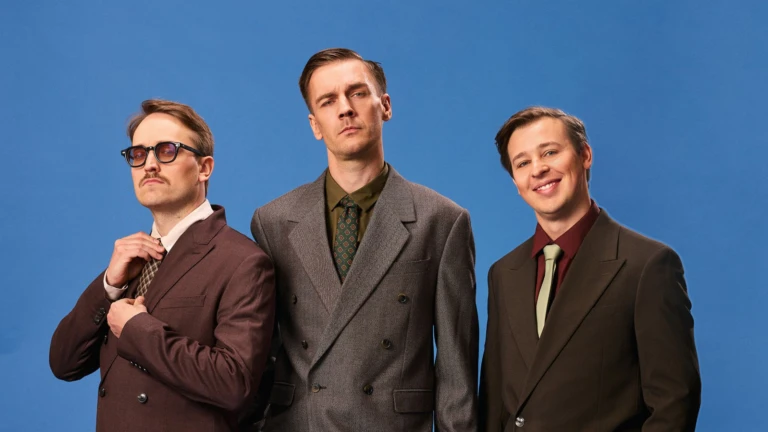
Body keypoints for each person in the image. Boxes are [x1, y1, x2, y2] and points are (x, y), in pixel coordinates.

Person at [250, 48, 479, 432]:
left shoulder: (442, 220)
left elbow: (457, 371)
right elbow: (260, 355)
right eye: (328, 101)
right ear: (315, 125)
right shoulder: (273, 221)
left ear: (385, 106)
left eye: (357, 93)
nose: (345, 109)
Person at [50, 99, 276, 432]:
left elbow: (234, 383)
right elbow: (64, 363)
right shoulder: (132, 262)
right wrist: (109, 285)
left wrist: (137, 328)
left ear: (204, 168)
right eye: (138, 154)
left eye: (166, 151)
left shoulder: (243, 261)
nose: (149, 165)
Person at [479, 106, 701, 431]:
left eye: (550, 152)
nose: (538, 169)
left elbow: (675, 402)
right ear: (515, 181)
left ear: (585, 155)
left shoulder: (648, 265)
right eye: (522, 162)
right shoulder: (503, 273)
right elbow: (494, 400)